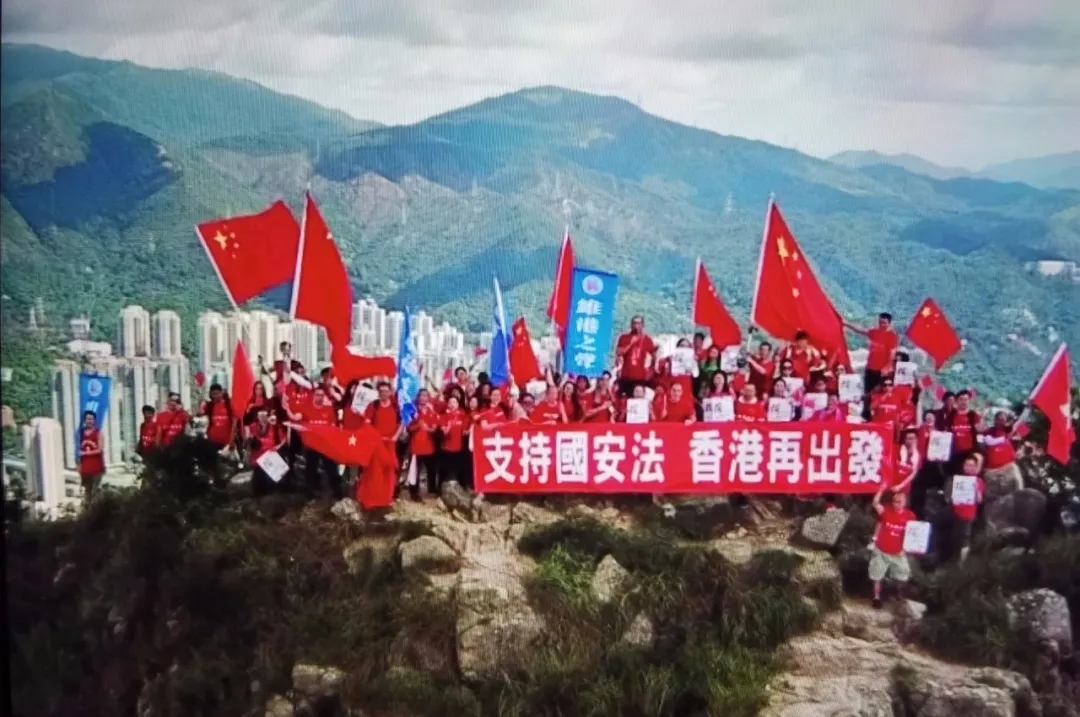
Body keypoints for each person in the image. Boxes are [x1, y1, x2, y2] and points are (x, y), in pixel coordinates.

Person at [869, 483, 917, 609]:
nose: (896, 504)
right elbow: (875, 503)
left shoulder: (910, 516)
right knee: (876, 575)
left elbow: (914, 535)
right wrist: (881, 489)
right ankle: (876, 597)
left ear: (905, 502)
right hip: (881, 550)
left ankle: (898, 594)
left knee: (903, 575)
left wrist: (908, 549)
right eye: (895, 501)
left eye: (899, 502)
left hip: (898, 552)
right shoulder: (886, 511)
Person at [944, 453, 985, 563]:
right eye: (967, 465)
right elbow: (948, 497)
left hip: (968, 514)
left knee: (964, 540)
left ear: (976, 467)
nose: (969, 467)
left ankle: (961, 565)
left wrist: (976, 488)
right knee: (952, 538)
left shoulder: (978, 481)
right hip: (954, 512)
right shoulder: (955, 479)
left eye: (972, 465)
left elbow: (979, 500)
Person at [844, 313, 898, 395]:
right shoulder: (874, 332)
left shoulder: (892, 336)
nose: (882, 324)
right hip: (870, 368)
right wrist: (846, 323)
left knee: (880, 393)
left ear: (889, 323)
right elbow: (861, 330)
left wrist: (887, 367)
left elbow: (892, 353)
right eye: (880, 322)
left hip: (882, 370)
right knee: (868, 393)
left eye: (884, 322)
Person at [406, 389, 440, 501]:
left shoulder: (432, 411)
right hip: (416, 446)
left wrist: (430, 429)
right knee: (414, 471)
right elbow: (408, 428)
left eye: (426, 396)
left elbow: (435, 427)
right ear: (418, 397)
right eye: (422, 395)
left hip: (429, 446)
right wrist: (418, 426)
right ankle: (414, 492)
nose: (424, 398)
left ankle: (432, 490)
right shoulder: (413, 411)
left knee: (431, 469)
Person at [615, 315, 657, 397]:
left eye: (639, 323)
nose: (636, 326)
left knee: (638, 402)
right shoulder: (624, 337)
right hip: (625, 376)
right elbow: (619, 352)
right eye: (634, 323)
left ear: (643, 325)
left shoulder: (647, 339)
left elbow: (654, 355)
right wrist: (631, 343)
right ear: (631, 325)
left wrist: (651, 369)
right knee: (624, 400)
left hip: (640, 378)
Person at [247, 409, 286, 497]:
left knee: (272, 478)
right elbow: (248, 439)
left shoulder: (274, 427)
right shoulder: (253, 426)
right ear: (257, 417)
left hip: (270, 455)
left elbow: (283, 438)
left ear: (267, 417)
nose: (262, 418)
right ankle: (258, 495)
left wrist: (277, 447)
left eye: (264, 416)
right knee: (258, 477)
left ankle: (272, 495)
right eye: (260, 416)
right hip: (257, 456)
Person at [439, 395, 470, 488]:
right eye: (450, 402)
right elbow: (444, 431)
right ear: (447, 404)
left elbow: (465, 432)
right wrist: (449, 424)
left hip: (459, 448)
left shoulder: (462, 415)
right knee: (446, 471)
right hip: (447, 449)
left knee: (458, 470)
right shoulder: (444, 416)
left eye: (454, 402)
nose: (452, 404)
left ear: (457, 404)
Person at [78, 410, 105, 504]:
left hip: (97, 467)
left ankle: (96, 510)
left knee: (95, 490)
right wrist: (79, 466)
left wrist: (86, 453)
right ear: (84, 420)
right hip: (85, 468)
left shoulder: (98, 433)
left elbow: (99, 449)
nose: (89, 421)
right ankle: (87, 510)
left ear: (94, 420)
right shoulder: (80, 433)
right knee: (87, 491)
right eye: (87, 419)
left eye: (91, 419)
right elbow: (78, 449)